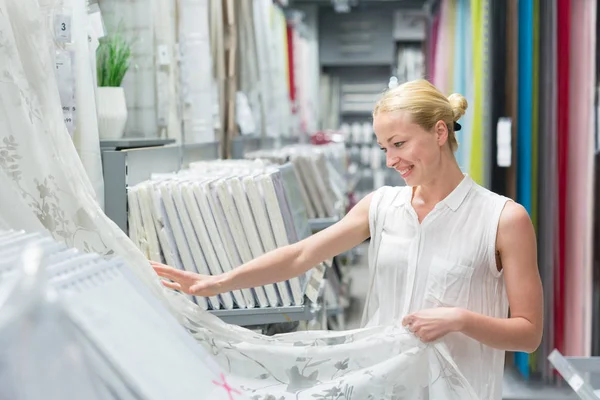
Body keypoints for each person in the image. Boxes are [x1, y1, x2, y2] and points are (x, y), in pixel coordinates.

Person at [152, 79, 543, 399]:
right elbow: (303, 254)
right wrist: (218, 283)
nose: (391, 160)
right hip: (381, 387)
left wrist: (459, 320)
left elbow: (528, 333)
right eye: (384, 147)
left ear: (440, 132)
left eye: (400, 144)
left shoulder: (502, 219)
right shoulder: (383, 206)